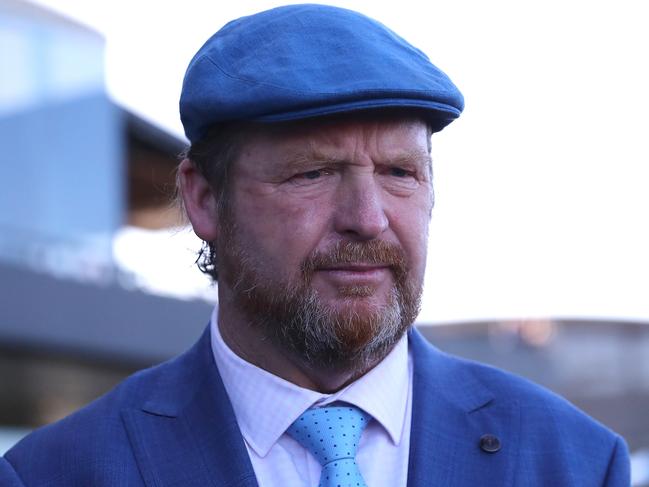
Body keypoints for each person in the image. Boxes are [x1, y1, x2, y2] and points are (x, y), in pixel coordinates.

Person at [1, 4, 630, 486]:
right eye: (313, 173)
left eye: (399, 174)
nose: (368, 219)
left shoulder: (571, 460)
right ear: (202, 199)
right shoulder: (58, 472)